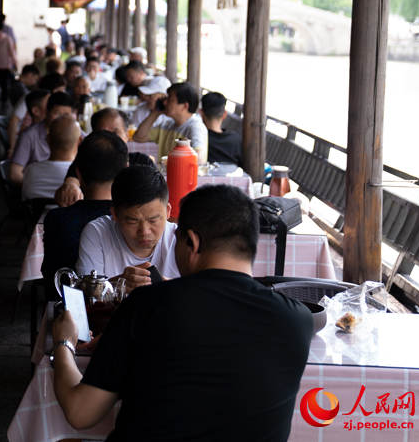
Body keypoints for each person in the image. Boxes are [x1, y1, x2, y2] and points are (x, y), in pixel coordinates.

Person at [50, 184, 313, 441]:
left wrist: (64, 342)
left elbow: (80, 412)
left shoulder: (147, 306)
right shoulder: (297, 320)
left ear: (193, 242)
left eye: (176, 238)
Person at [42, 131, 128, 298]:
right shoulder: (129, 221)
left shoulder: (57, 219)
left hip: (67, 308)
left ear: (78, 174)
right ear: (125, 171)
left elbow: (50, 278)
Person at [75, 165, 180, 288]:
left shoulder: (179, 239)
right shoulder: (97, 233)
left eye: (153, 220)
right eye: (133, 221)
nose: (144, 231)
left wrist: (171, 288)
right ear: (115, 214)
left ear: (168, 212)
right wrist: (117, 285)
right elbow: (85, 294)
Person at [53, 108, 129, 206]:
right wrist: (70, 186)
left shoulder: (142, 161)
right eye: (101, 133)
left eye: (115, 133)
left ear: (127, 135)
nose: (109, 138)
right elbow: (71, 182)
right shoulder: (86, 162)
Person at [132, 81, 208, 163]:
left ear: (185, 106)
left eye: (170, 100)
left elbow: (199, 159)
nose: (164, 103)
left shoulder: (195, 127)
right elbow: (138, 137)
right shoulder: (168, 124)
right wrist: (155, 112)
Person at [10, 91, 75, 184]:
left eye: (66, 115)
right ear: (47, 112)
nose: (61, 119)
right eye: (57, 113)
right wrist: (41, 185)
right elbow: (15, 174)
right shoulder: (29, 136)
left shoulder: (78, 134)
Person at [22, 116, 80, 201]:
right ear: (80, 141)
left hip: (38, 214)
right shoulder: (81, 176)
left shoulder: (31, 170)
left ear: (47, 139)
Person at [8, 72, 66, 155]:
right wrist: (12, 148)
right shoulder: (32, 98)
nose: (63, 93)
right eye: (60, 90)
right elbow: (13, 121)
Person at [201, 91, 244, 168]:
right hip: (232, 179)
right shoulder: (236, 140)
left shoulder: (200, 138)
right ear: (224, 114)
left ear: (201, 113)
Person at [0, 21, 17, 112]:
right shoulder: (7, 38)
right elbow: (12, 52)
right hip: (5, 66)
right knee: (4, 86)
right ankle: (4, 105)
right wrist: (15, 63)